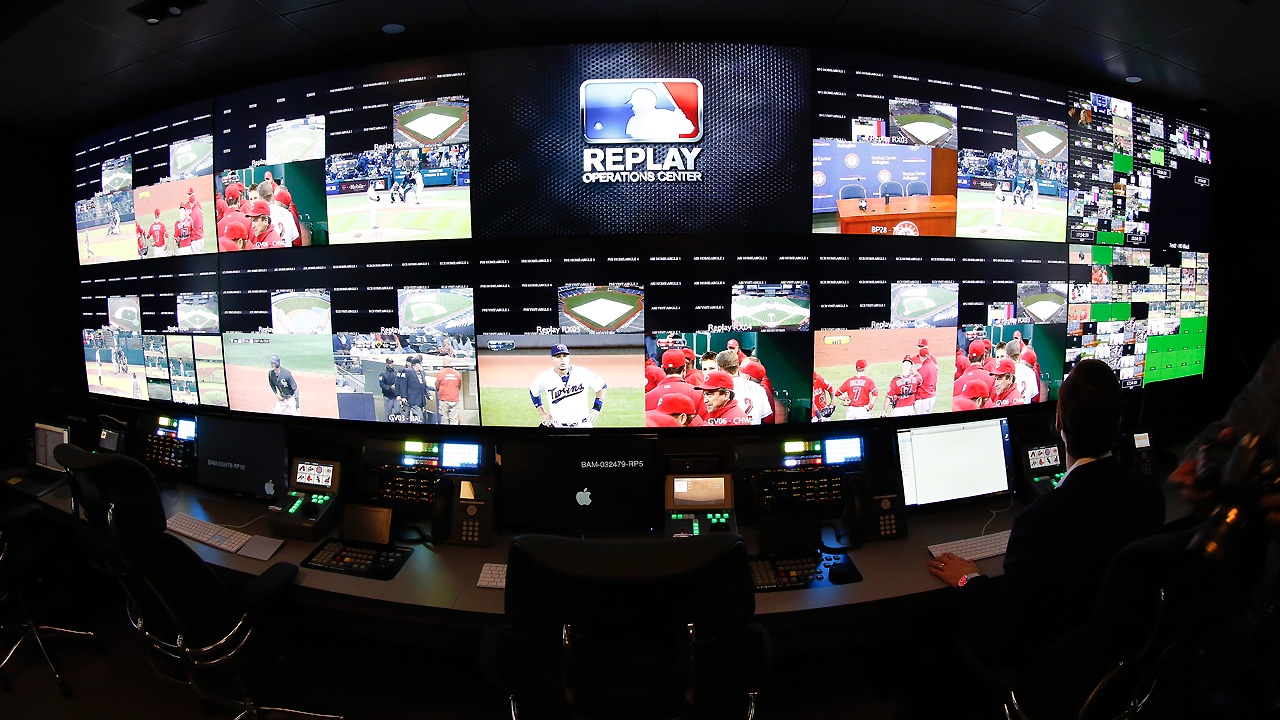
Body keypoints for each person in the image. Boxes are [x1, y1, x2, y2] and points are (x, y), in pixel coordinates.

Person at [927, 358, 1165, 669]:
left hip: (1049, 668)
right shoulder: (1149, 494)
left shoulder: (1038, 520)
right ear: (1119, 421)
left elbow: (1003, 634)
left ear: (1059, 422)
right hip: (1120, 662)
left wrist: (968, 579)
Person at [529, 344, 607, 428]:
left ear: (569, 357)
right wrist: (543, 413)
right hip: (558, 425)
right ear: (552, 359)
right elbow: (533, 391)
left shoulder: (582, 373)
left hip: (582, 425)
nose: (562, 359)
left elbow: (602, 386)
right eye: (558, 356)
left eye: (565, 356)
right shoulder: (545, 377)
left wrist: (596, 408)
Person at [644, 349, 708, 420]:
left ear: (662, 368)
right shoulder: (697, 393)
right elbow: (704, 421)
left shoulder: (647, 398)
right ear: (684, 367)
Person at [716, 349, 771, 424]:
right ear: (737, 366)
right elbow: (767, 419)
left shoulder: (720, 391)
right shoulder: (759, 388)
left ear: (719, 368)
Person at [396, 355, 430, 423]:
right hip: (410, 398)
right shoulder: (406, 371)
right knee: (409, 417)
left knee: (417, 417)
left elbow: (424, 385)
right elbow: (402, 385)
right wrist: (402, 396)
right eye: (420, 364)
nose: (421, 365)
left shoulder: (422, 373)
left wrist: (428, 395)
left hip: (420, 399)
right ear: (416, 364)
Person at [1005, 338, 1037, 405]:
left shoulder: (1006, 373)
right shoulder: (1031, 372)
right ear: (1019, 354)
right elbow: (1033, 395)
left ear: (1007, 356)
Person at [912, 337, 939, 414]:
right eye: (919, 346)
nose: (920, 348)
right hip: (927, 395)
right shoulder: (914, 359)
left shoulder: (932, 360)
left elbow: (919, 379)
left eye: (922, 346)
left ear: (927, 347)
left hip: (924, 395)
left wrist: (915, 371)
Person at [435, 357, 463, 425]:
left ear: (443, 362)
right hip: (454, 398)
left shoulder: (440, 373)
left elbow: (437, 386)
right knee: (454, 419)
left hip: (444, 399)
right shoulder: (457, 373)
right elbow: (459, 386)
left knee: (444, 419)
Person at [378, 357, 399, 421]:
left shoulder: (396, 373)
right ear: (387, 364)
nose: (391, 364)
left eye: (392, 363)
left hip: (395, 396)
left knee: (397, 413)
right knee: (388, 414)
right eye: (389, 363)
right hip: (387, 396)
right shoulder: (383, 374)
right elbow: (382, 384)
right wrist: (390, 387)